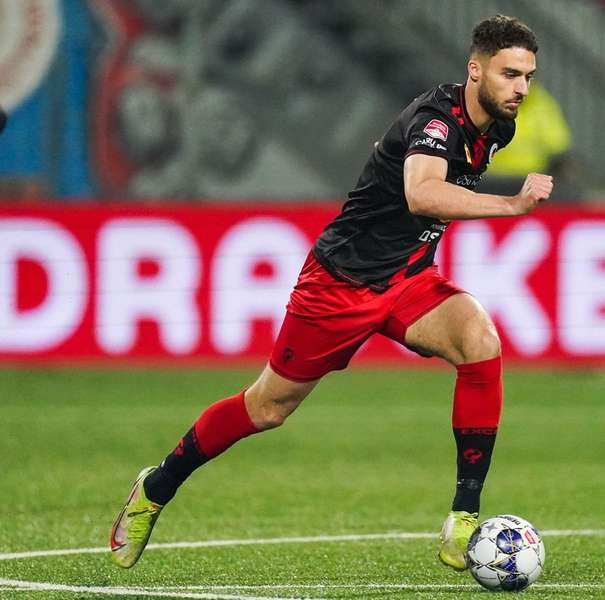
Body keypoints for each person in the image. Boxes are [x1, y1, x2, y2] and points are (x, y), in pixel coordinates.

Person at [110, 14, 552, 572]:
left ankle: (463, 519)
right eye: (510, 74)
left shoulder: (499, 125)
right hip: (340, 283)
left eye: (529, 77)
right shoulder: (437, 119)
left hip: (409, 276)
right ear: (475, 68)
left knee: (479, 341)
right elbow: (421, 193)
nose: (520, 88)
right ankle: (156, 487)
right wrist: (510, 204)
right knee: (266, 409)